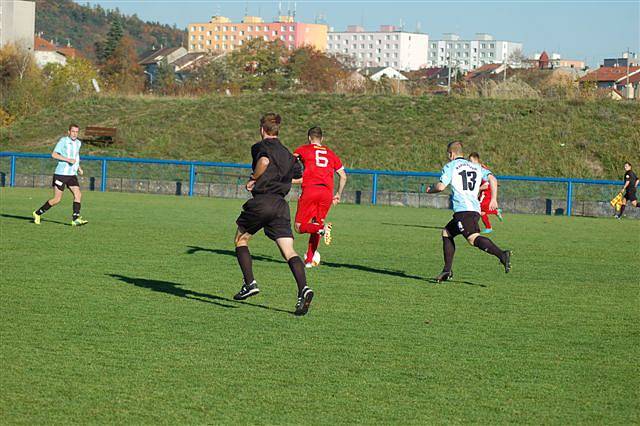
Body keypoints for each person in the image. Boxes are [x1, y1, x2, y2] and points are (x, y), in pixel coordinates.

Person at [233, 113, 314, 316]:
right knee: (289, 251)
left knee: (241, 239)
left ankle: (250, 283)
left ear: (262, 129)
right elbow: (299, 176)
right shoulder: (288, 154)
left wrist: (253, 178)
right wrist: (283, 181)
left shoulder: (260, 147)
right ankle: (303, 288)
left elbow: (264, 162)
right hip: (280, 204)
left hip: (262, 201)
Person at [426, 141, 511, 282]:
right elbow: (493, 179)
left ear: (451, 154)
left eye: (448, 155)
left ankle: (502, 254)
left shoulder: (450, 166)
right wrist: (494, 199)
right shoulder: (475, 166)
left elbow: (440, 187)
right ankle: (447, 270)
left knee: (472, 238)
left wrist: (430, 190)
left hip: (463, 211)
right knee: (447, 233)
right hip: (474, 209)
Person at [293, 126, 347, 268]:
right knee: (316, 225)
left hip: (310, 190)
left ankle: (322, 228)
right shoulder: (331, 153)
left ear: (309, 138)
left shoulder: (303, 149)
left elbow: (290, 163)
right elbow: (343, 176)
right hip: (326, 194)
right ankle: (309, 260)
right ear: (321, 139)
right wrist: (338, 194)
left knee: (299, 227)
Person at [32, 124, 88, 226]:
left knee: (78, 194)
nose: (75, 134)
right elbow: (54, 154)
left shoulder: (78, 143)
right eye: (73, 131)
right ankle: (37, 213)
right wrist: (67, 160)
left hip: (72, 174)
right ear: (69, 132)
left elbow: (76, 156)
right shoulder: (63, 141)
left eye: (76, 132)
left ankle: (75, 219)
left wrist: (79, 167)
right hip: (61, 174)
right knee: (57, 199)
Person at [469, 152, 503, 233]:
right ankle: (489, 224)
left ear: (475, 159)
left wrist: (477, 189)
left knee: (480, 211)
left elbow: (486, 184)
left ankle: (486, 226)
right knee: (482, 211)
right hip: (485, 192)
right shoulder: (478, 167)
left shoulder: (479, 168)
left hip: (485, 193)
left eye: (470, 160)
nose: (469, 162)